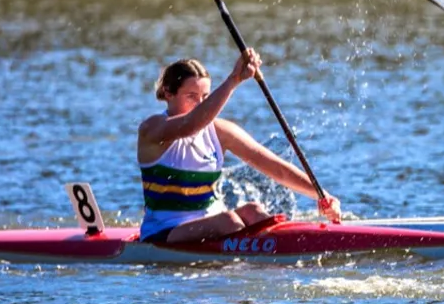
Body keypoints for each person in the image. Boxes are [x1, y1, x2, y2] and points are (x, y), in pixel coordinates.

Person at [136, 51, 340, 243]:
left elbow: (275, 167)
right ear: (168, 93)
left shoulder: (220, 132)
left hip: (214, 223)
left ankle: (283, 263)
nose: (201, 104)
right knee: (229, 221)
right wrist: (234, 80)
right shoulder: (152, 129)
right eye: (192, 96)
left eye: (205, 97)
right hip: (164, 232)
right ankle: (255, 264)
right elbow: (190, 124)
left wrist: (322, 195)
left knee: (254, 210)